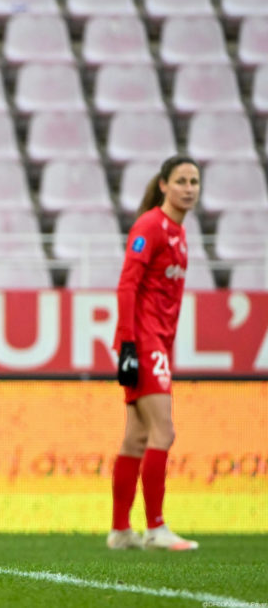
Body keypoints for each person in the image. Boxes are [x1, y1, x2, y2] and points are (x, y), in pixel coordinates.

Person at [107, 155, 201, 551]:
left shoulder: (179, 233)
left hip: (157, 342)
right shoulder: (151, 226)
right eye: (181, 181)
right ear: (163, 185)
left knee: (137, 438)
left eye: (194, 181)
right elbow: (127, 284)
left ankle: (120, 531)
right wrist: (128, 343)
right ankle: (156, 528)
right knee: (164, 431)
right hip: (144, 342)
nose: (189, 189)